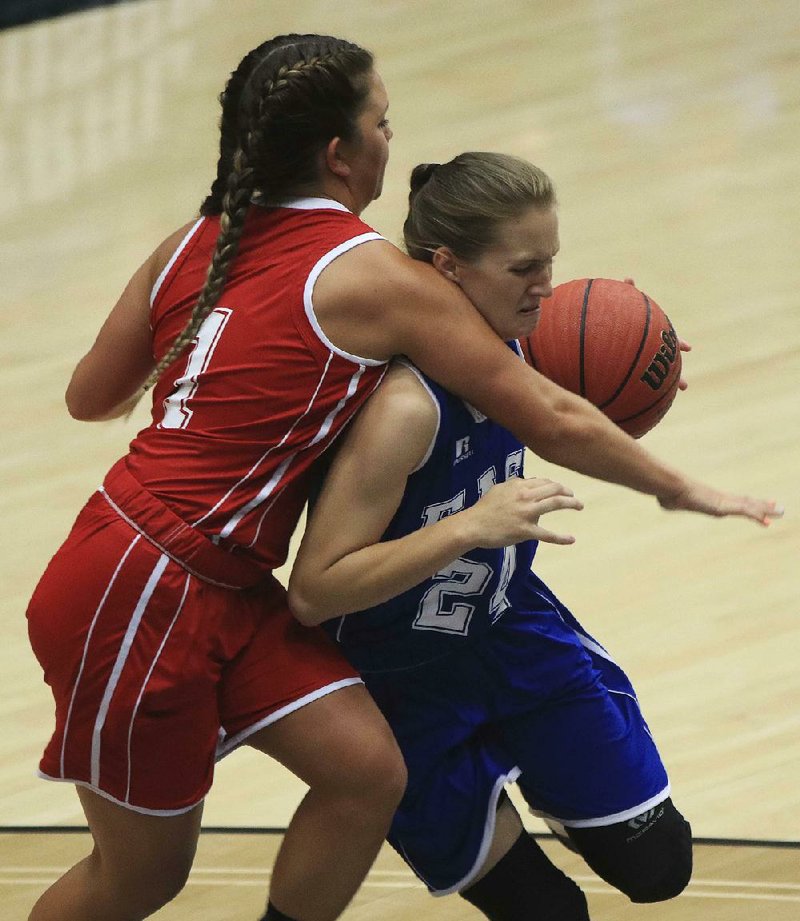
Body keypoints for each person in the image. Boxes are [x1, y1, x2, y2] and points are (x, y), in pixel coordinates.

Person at [25, 31, 778, 921]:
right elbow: (544, 411)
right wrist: (681, 486)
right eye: (383, 122)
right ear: (341, 153)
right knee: (144, 876)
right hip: (144, 580)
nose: (393, 139)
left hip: (221, 577)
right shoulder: (368, 270)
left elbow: (89, 396)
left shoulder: (196, 243)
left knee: (367, 772)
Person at [286, 153, 782, 920]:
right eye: (525, 269)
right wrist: (467, 527)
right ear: (448, 268)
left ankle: (559, 790)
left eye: (551, 261)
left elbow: (565, 411)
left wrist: (627, 373)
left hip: (510, 629)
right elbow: (315, 592)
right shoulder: (405, 409)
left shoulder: (523, 339)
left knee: (659, 867)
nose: (547, 288)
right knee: (551, 915)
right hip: (398, 682)